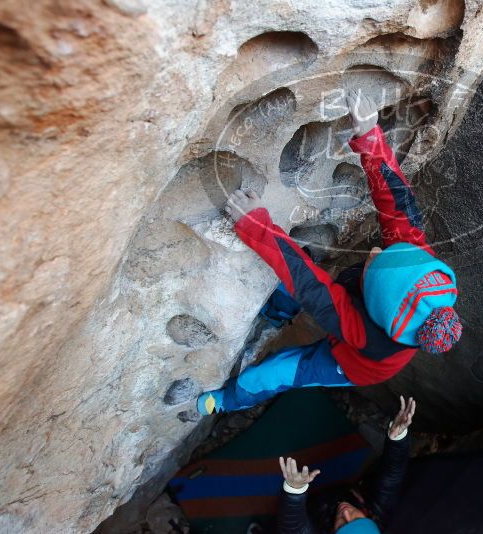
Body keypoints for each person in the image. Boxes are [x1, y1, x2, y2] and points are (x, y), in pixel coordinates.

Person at [197, 90, 461, 415]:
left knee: (275, 373)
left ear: (375, 301)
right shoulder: (416, 264)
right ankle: (277, 314)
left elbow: (314, 290)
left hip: (350, 362)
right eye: (390, 253)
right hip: (361, 304)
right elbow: (396, 199)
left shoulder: (368, 336)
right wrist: (370, 137)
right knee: (295, 272)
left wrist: (254, 224)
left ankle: (228, 401)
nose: (377, 251)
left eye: (373, 267)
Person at [278, 396, 416, 534]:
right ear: (370, 518)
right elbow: (391, 478)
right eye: (357, 520)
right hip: (344, 489)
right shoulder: (379, 514)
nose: (346, 514)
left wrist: (294, 490)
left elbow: (294, 529)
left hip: (313, 509)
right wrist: (397, 438)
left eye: (341, 526)